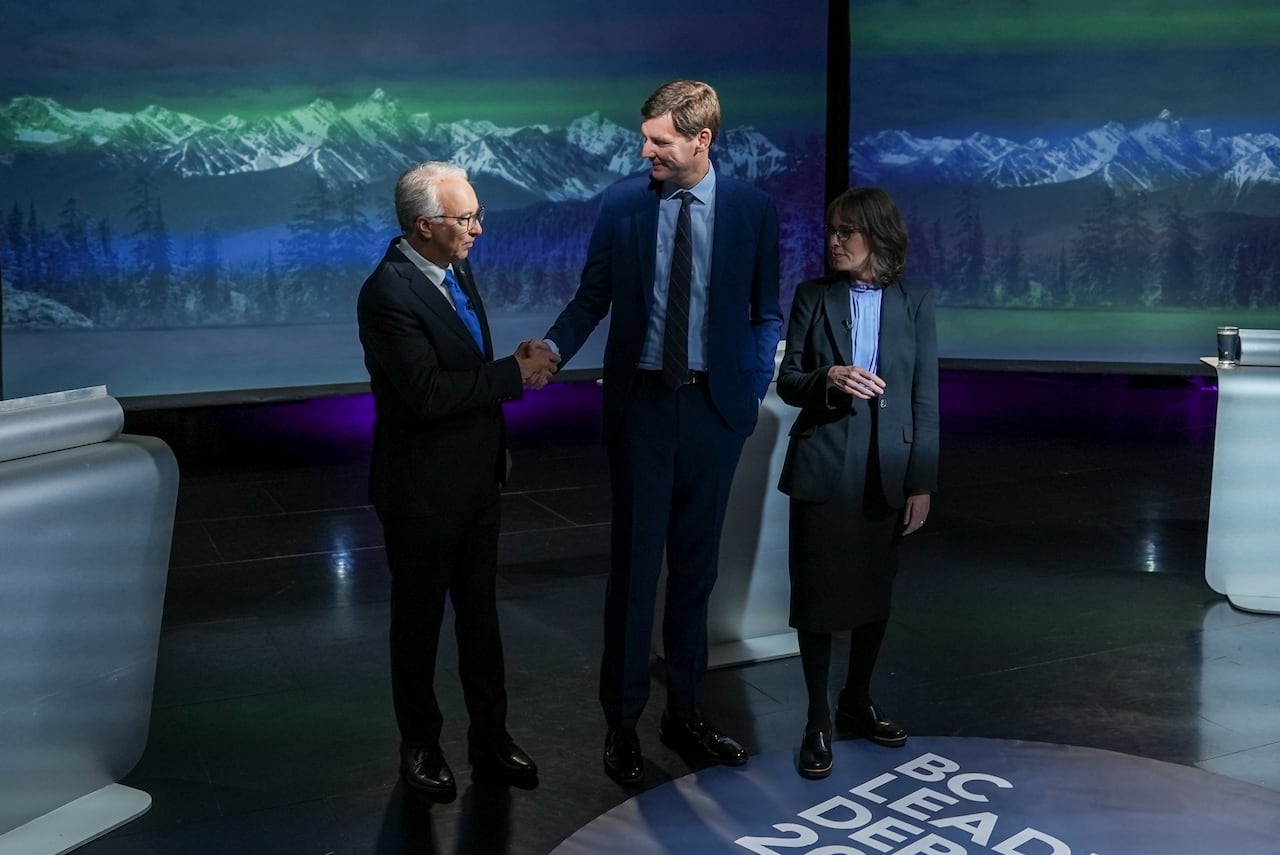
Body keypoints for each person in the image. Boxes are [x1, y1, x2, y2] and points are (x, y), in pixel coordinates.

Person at [543, 79, 783, 784]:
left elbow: (765, 309)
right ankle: (622, 723)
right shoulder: (622, 205)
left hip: (714, 412)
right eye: (644, 138)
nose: (643, 150)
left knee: (695, 572)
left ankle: (686, 712)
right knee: (634, 571)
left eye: (658, 141)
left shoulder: (752, 210)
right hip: (642, 408)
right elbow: (593, 297)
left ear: (700, 140)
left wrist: (751, 385)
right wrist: (553, 349)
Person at [356, 161, 560, 802]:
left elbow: (462, 365)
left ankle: (490, 741)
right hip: (421, 493)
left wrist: (509, 369)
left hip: (476, 481)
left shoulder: (455, 265)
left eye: (477, 214)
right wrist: (513, 373)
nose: (478, 228)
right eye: (465, 218)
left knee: (481, 621)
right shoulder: (387, 292)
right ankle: (420, 748)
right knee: (417, 628)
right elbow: (425, 394)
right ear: (424, 227)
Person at [775, 186, 938, 780]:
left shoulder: (916, 300)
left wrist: (921, 480)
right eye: (831, 231)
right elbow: (790, 380)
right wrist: (829, 377)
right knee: (817, 600)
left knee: (874, 595)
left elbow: (924, 394)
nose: (835, 241)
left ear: (879, 235)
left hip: (886, 470)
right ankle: (817, 718)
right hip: (825, 465)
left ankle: (857, 699)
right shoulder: (813, 296)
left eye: (848, 230)